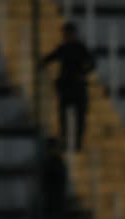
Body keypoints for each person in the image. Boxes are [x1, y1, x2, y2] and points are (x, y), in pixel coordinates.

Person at [40, 23, 96, 151]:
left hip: (77, 87)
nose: (64, 36)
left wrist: (82, 73)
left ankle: (77, 142)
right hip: (66, 87)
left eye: (66, 33)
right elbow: (51, 57)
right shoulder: (64, 48)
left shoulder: (81, 48)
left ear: (72, 34)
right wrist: (42, 62)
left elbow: (92, 64)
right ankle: (65, 139)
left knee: (79, 116)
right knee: (63, 116)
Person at [40, 137, 69, 219]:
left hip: (56, 197)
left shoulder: (58, 162)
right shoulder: (47, 162)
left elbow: (62, 179)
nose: (53, 150)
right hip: (50, 197)